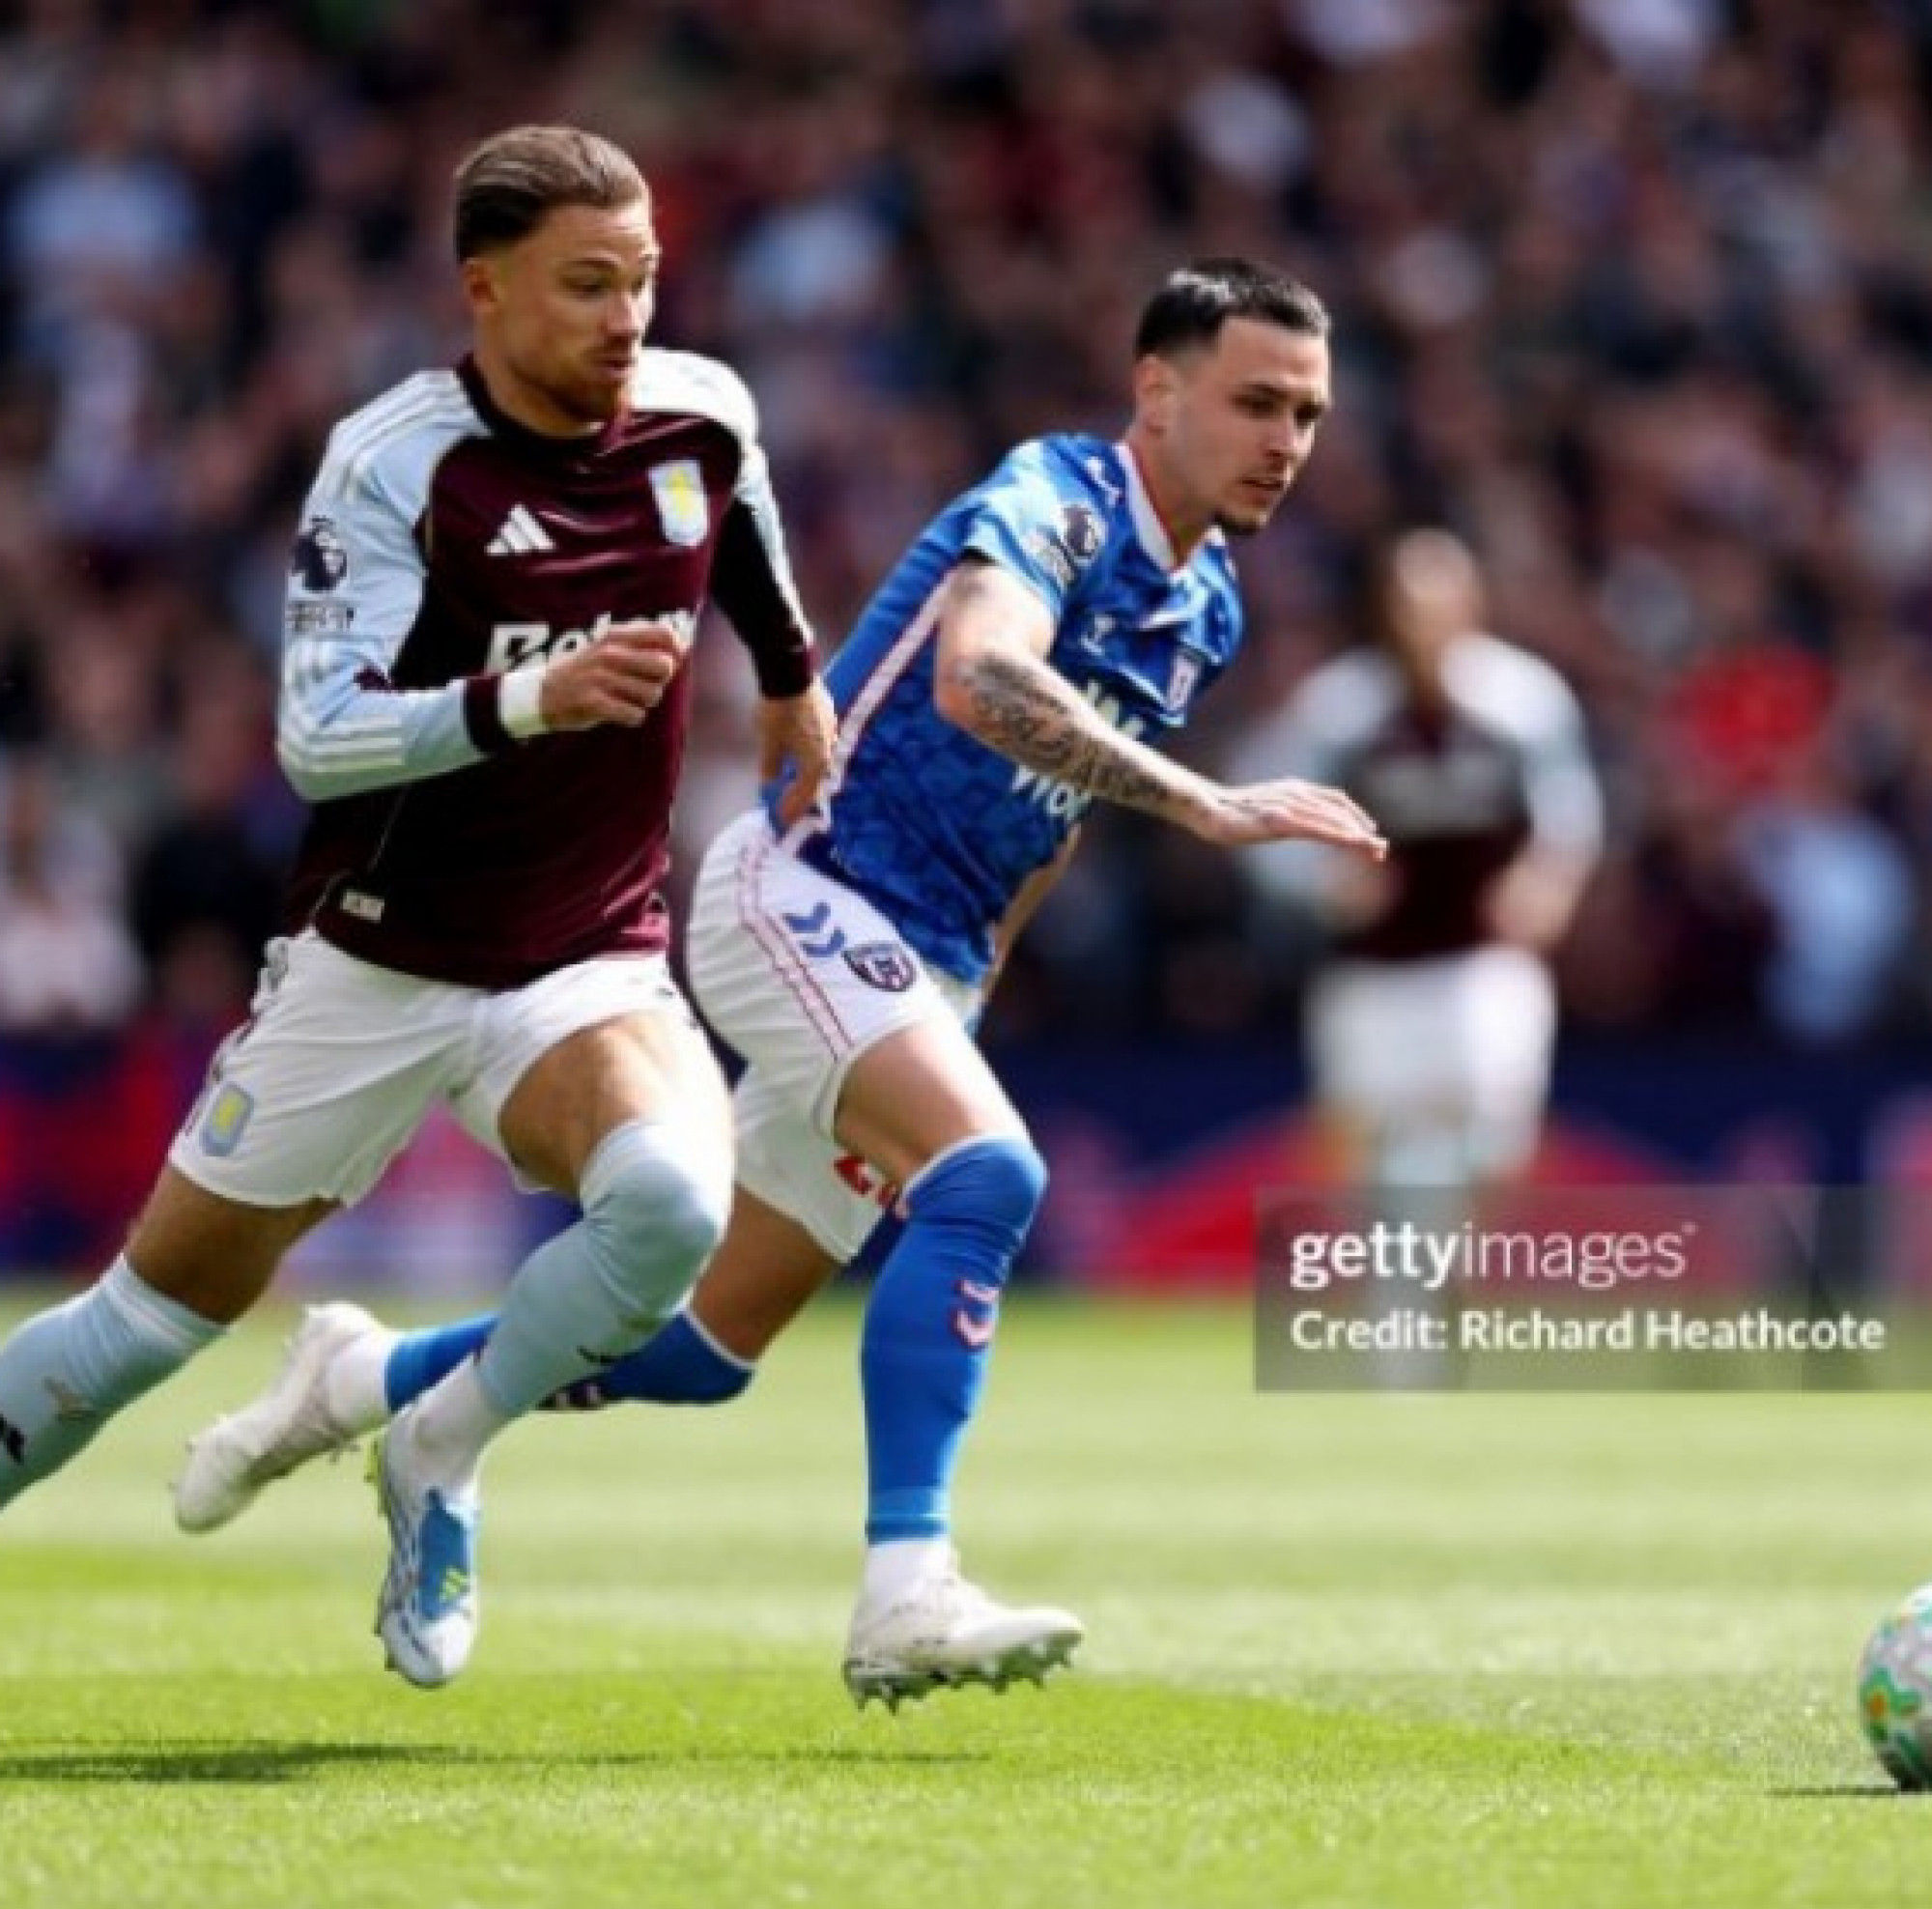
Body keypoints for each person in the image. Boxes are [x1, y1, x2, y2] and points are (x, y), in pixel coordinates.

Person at [175, 258, 1384, 1706]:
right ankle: (905, 1591)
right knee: (991, 1178)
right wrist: (1206, 804)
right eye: (1256, 403)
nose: (1284, 443)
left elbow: (1046, 823)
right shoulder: (1058, 498)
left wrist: (974, 989)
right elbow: (979, 678)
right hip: (802, 893)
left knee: (699, 1349)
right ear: (1157, 391)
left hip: (918, 963)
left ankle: (373, 1387)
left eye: (1307, 415)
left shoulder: (1211, 605)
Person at [0, 124, 837, 1693]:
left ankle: (437, 1446)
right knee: (138, 1335)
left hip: (585, 955)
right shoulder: (400, 464)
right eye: (587, 286)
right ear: (485, 290)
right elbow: (317, 735)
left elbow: (744, 508)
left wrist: (792, 678)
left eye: (644, 281)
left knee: (668, 1206)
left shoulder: (697, 414)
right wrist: (532, 697)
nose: (626, 318)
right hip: (374, 961)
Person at [1231, 527, 1602, 1216]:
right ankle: (1399, 1310)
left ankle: (1436, 1288)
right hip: (1374, 973)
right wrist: (1322, 882)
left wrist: (1546, 880)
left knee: (1492, 1146)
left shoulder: (1521, 701)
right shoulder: (1341, 710)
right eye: (1406, 604)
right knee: (1379, 1161)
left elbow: (1570, 813)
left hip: (1483, 962)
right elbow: (1258, 809)